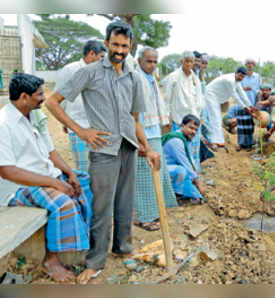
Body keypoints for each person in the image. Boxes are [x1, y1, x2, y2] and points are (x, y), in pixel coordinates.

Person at [45, 21, 161, 284]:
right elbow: (52, 102)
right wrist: (81, 131)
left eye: (124, 46)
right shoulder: (91, 72)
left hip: (128, 148)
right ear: (107, 43)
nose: (119, 50)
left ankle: (123, 247)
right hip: (103, 151)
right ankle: (96, 262)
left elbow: (135, 120)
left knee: (124, 203)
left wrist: (149, 148)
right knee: (101, 208)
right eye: (115, 44)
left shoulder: (133, 78)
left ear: (130, 47)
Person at [0, 74, 93, 283]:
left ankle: (81, 244)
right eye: (39, 94)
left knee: (83, 182)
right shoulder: (4, 124)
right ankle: (51, 260)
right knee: (63, 203)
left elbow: (51, 152)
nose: (43, 97)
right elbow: (7, 172)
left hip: (43, 176)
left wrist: (69, 173)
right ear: (24, 97)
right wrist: (54, 182)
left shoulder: (34, 116)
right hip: (18, 187)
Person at [134, 46, 178, 231]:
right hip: (142, 133)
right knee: (145, 175)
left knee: (158, 173)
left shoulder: (151, 79)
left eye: (154, 62)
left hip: (153, 132)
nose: (152, 65)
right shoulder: (136, 79)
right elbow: (133, 114)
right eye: (148, 61)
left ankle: (157, 210)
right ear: (139, 61)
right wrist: (139, 141)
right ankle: (145, 217)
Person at [55, 40, 106, 172]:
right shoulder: (70, 70)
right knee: (84, 169)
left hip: (98, 129)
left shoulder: (100, 71)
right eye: (101, 57)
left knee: (99, 169)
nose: (103, 61)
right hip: (79, 128)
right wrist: (66, 122)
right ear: (91, 54)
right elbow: (58, 100)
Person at [164, 51, 205, 174]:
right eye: (186, 61)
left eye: (191, 61)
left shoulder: (195, 79)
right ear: (181, 62)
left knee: (194, 149)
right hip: (179, 119)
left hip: (194, 118)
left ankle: (195, 174)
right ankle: (184, 176)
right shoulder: (174, 77)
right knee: (180, 149)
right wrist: (168, 116)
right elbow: (168, 99)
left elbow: (199, 99)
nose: (188, 64)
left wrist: (199, 115)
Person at [204, 67, 254, 147]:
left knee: (217, 117)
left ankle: (217, 140)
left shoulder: (236, 81)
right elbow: (235, 96)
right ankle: (215, 141)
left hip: (216, 98)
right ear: (236, 73)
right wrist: (245, 108)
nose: (241, 78)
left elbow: (242, 93)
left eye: (243, 77)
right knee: (215, 117)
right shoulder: (230, 80)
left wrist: (251, 106)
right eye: (240, 75)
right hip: (210, 95)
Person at [162, 114, 206, 203]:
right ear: (182, 126)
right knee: (181, 170)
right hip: (162, 170)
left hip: (170, 168)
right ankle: (176, 194)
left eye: (195, 130)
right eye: (191, 128)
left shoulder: (185, 138)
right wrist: (198, 184)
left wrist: (196, 174)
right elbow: (185, 163)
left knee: (191, 171)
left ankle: (183, 192)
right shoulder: (176, 141)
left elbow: (190, 159)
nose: (193, 132)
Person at [236, 58, 261, 151]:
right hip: (241, 103)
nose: (250, 65)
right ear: (245, 65)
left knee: (250, 125)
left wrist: (258, 103)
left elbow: (259, 90)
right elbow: (236, 89)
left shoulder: (257, 77)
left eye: (252, 63)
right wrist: (243, 89)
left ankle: (249, 144)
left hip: (252, 103)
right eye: (248, 63)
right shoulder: (241, 76)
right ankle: (240, 143)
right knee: (241, 124)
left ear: (254, 65)